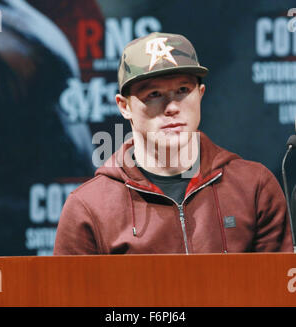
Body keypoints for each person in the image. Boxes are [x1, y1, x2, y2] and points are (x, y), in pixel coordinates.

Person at [53, 32, 293, 254]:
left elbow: (278, 294)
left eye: (182, 90)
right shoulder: (88, 207)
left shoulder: (253, 187)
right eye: (154, 94)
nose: (172, 107)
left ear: (200, 94)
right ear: (124, 107)